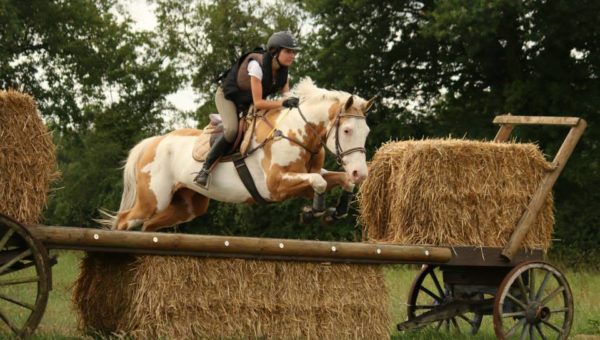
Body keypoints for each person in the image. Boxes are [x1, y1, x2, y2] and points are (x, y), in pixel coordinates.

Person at [193, 31, 301, 187]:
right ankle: (205, 170)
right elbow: (259, 103)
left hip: (247, 101)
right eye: (288, 51)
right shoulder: (256, 65)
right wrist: (284, 103)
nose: (293, 55)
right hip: (228, 97)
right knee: (231, 130)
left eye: (294, 52)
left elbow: (286, 98)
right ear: (274, 51)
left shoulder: (284, 72)